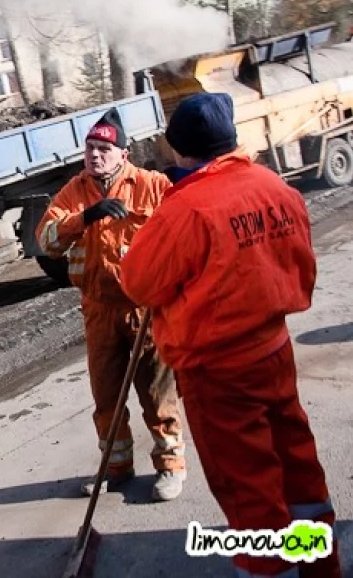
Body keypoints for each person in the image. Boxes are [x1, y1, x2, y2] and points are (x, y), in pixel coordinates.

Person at [121, 92, 341, 577]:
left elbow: (138, 282)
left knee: (249, 490)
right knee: (297, 466)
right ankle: (321, 567)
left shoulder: (185, 210)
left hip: (217, 371)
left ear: (180, 150)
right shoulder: (272, 185)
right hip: (274, 350)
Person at [35, 108, 187, 501]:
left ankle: (170, 466)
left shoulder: (152, 186)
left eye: (104, 148)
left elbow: (186, 235)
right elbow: (46, 241)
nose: (95, 155)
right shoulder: (74, 191)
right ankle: (116, 468)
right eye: (90, 147)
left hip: (146, 309)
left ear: (123, 153)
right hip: (99, 311)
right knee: (108, 398)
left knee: (158, 394)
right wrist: (84, 217)